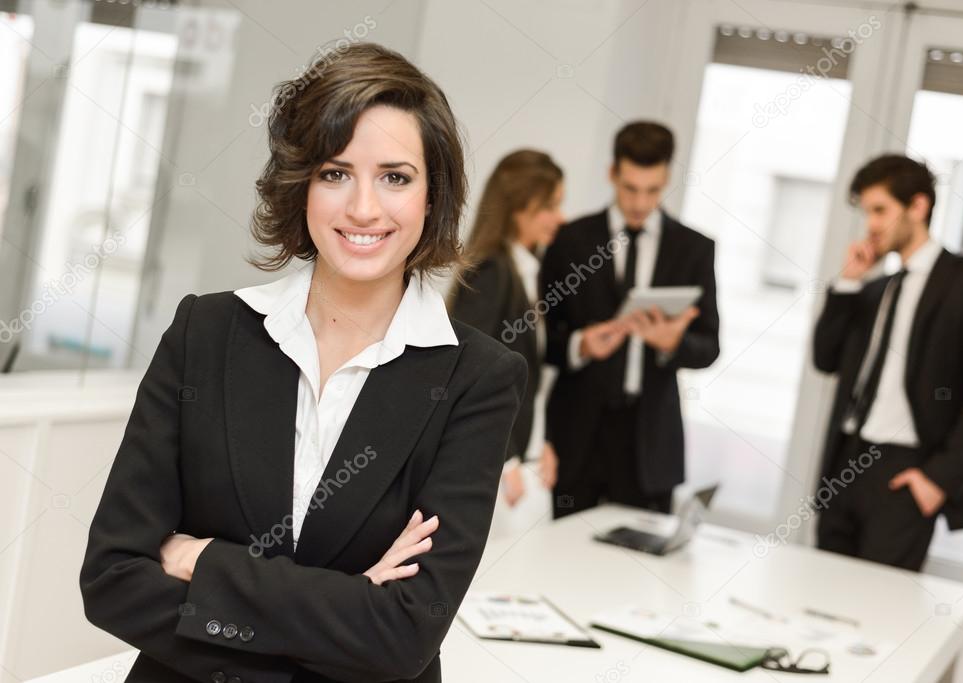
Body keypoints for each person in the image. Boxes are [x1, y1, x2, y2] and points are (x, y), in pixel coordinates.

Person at [79, 42, 527, 683]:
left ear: (432, 198)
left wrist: (204, 563)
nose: (364, 208)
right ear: (301, 186)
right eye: (335, 173)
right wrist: (345, 608)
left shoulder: (477, 379)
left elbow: (404, 635)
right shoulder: (204, 332)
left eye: (395, 177)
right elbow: (113, 579)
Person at [813, 153, 963, 571]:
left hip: (905, 472)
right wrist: (848, 283)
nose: (871, 224)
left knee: (876, 616)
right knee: (821, 600)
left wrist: (937, 480)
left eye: (880, 210)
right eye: (867, 212)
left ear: (917, 207)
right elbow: (825, 359)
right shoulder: (874, 289)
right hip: (845, 463)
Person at [540, 121, 720, 519]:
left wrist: (672, 343)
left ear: (667, 178)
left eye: (653, 190)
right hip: (576, 435)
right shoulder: (569, 239)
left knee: (640, 568)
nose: (640, 203)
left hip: (650, 441)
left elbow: (710, 347)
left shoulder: (694, 249)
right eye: (630, 189)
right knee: (558, 560)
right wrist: (580, 345)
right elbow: (538, 340)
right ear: (612, 174)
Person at [448, 149, 563, 509]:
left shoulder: (532, 270)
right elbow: (467, 371)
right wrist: (506, 457)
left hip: (521, 460)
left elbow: (528, 383)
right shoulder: (492, 270)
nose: (559, 218)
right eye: (548, 206)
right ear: (517, 208)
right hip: (491, 466)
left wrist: (540, 442)